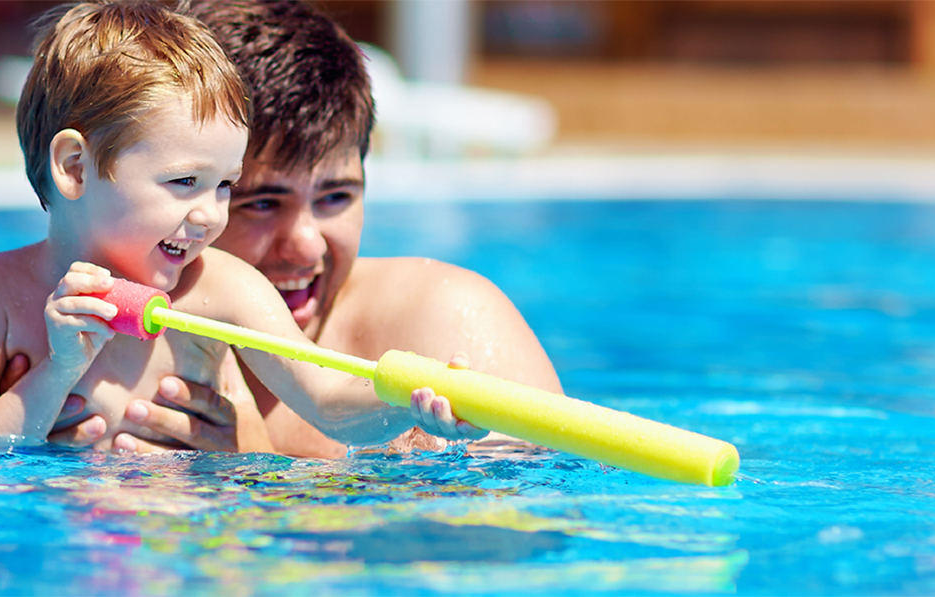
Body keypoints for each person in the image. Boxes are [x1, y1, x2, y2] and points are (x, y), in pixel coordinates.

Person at [0, 0, 477, 451]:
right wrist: (57, 370)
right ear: (75, 168)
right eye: (184, 182)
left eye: (225, 185)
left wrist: (412, 400)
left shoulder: (223, 289)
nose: (213, 214)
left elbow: (327, 403)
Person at [37, 0, 563, 456]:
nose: (306, 244)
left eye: (336, 197)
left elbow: (530, 523)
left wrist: (252, 471)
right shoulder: (68, 325)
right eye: (263, 203)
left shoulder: (445, 319)